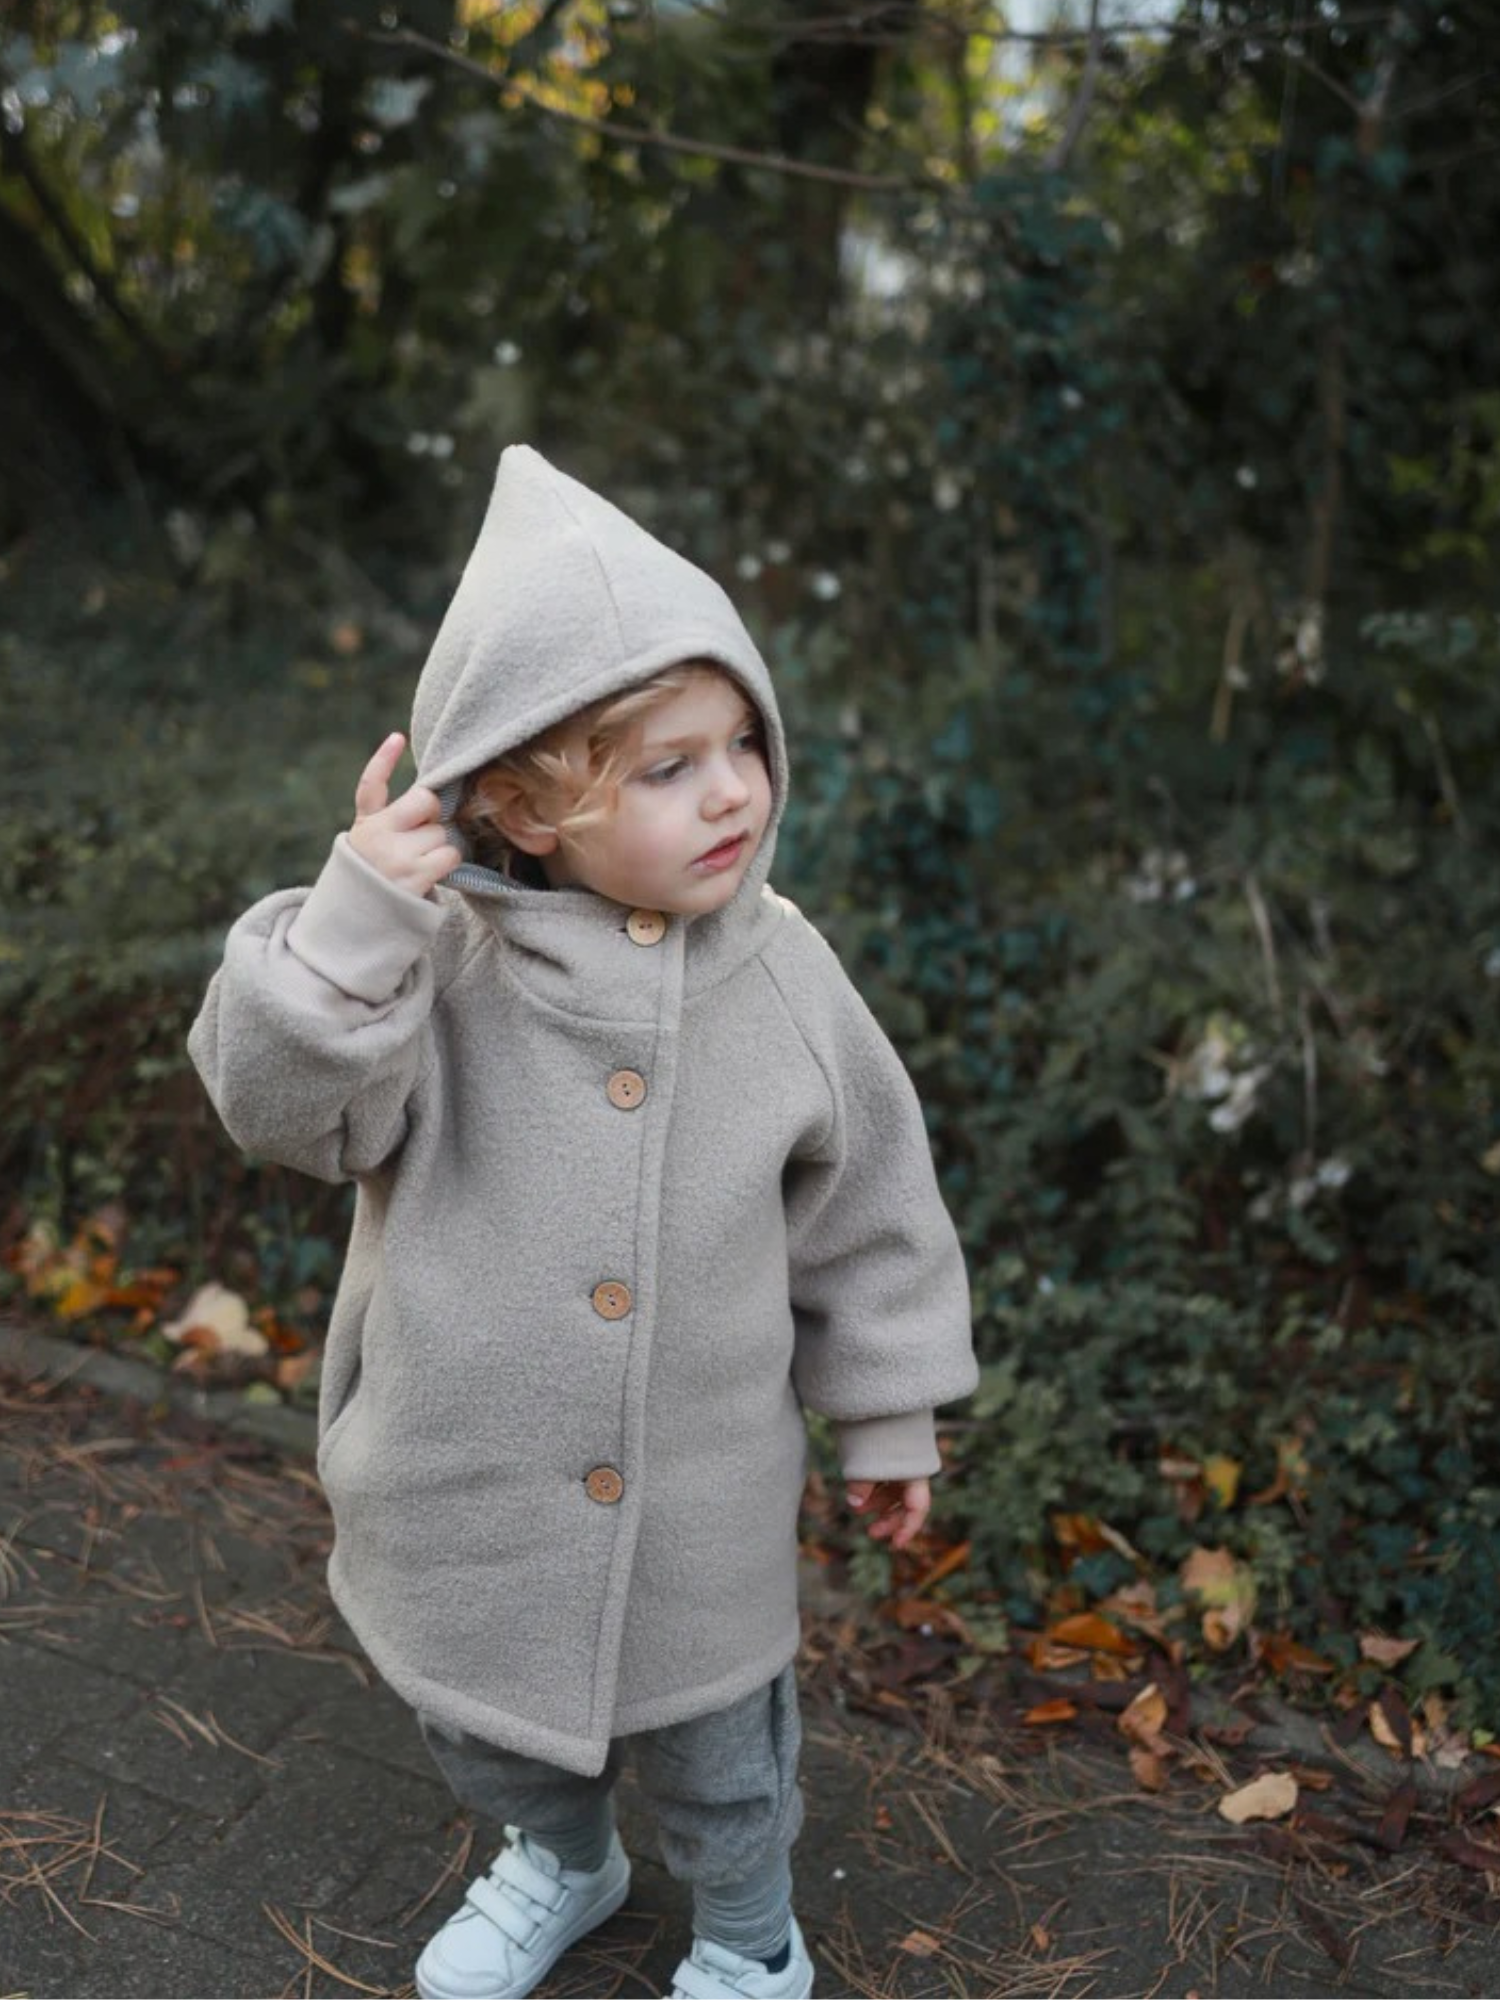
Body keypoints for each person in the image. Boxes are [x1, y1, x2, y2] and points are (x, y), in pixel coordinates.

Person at [188, 445, 977, 2000]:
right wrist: (351, 923)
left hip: (700, 1507)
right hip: (458, 1485)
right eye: (667, 766)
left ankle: (753, 1946)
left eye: (739, 739)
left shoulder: (786, 975)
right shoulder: (436, 963)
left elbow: (873, 1210)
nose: (734, 787)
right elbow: (288, 1118)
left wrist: (889, 1416)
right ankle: (560, 1856)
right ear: (527, 806)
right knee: (485, 1725)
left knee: (723, 1764)